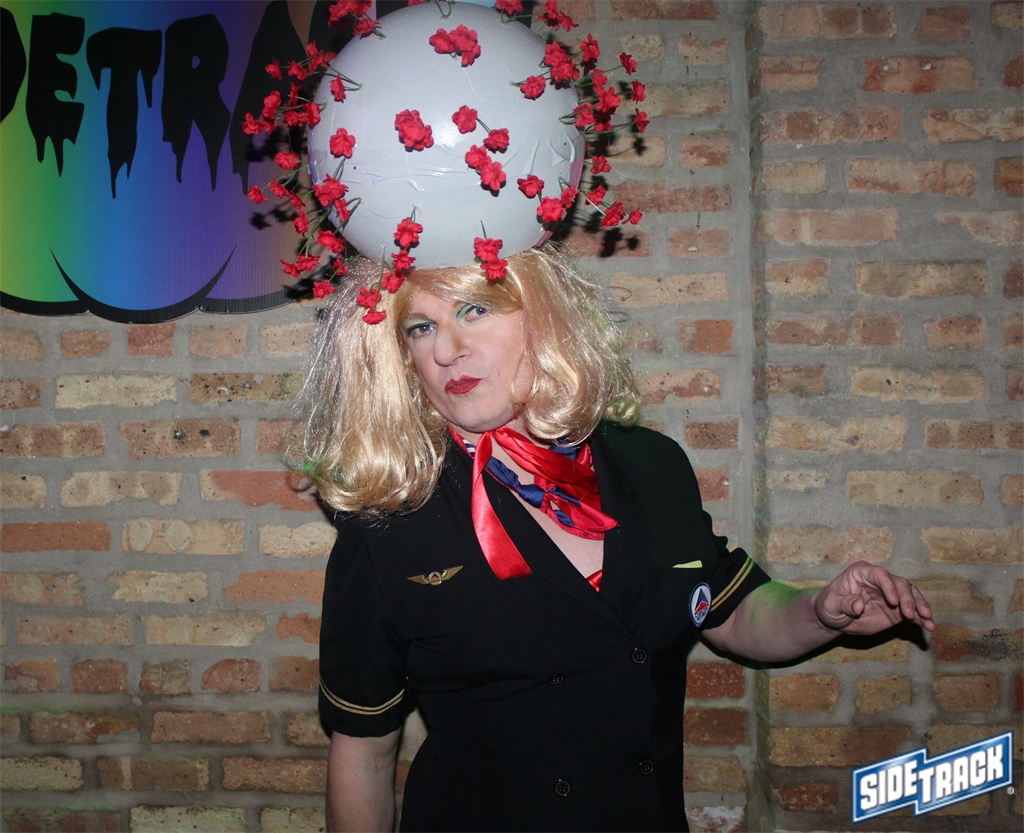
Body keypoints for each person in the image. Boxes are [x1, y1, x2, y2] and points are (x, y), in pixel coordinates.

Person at [302, 245, 935, 833]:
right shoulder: (390, 515)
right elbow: (364, 752)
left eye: (476, 310)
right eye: (421, 327)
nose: (447, 349)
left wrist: (821, 611)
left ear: (543, 317)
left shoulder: (648, 463)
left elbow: (731, 610)